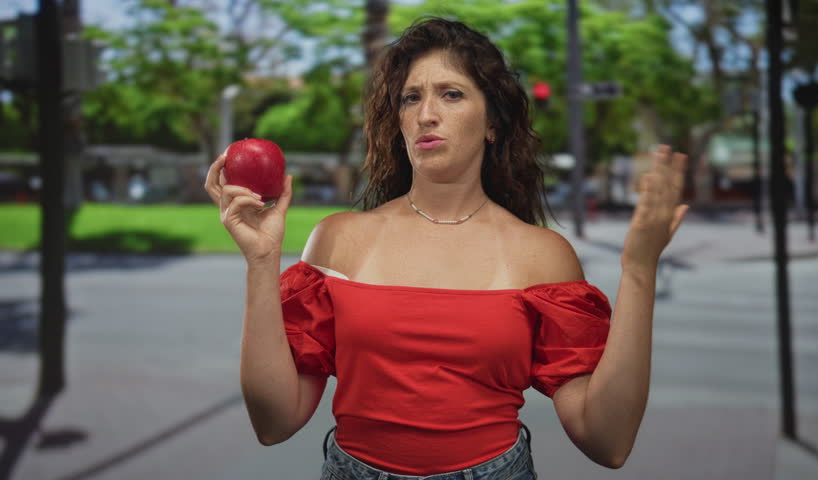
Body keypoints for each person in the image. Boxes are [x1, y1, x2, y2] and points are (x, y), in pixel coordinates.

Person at [205, 16, 688, 480]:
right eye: (410, 98)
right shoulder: (338, 239)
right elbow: (274, 423)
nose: (426, 114)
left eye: (451, 95)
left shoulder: (543, 254)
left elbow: (608, 440)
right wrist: (261, 262)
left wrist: (640, 269)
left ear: (492, 123)